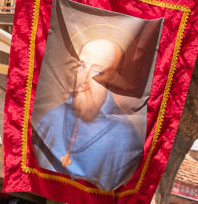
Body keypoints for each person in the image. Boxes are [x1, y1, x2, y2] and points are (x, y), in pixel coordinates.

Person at [32, 37, 144, 191]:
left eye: (97, 72)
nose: (84, 79)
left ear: (113, 80)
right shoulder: (51, 118)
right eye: (82, 66)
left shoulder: (125, 140)